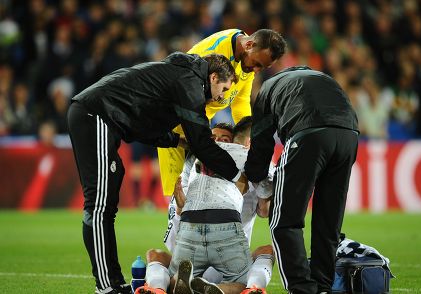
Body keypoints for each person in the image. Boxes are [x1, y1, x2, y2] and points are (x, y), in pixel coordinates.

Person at [67, 52, 245, 294]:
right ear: (213, 77)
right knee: (99, 206)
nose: (222, 97)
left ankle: (113, 284)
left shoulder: (182, 76)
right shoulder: (190, 81)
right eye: (223, 89)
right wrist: (237, 174)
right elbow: (202, 142)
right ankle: (107, 287)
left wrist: (175, 140)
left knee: (106, 205)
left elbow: (145, 124)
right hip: (96, 114)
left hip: (103, 118)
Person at [244, 66, 359, 294]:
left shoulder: (267, 89)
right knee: (329, 221)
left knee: (284, 220)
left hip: (308, 133)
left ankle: (302, 289)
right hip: (350, 135)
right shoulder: (322, 77)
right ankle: (323, 287)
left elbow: (261, 144)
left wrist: (261, 185)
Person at [137, 118, 274, 294]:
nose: (217, 142)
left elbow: (181, 210)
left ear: (233, 142)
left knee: (158, 259)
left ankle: (158, 287)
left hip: (190, 239)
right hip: (229, 244)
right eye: (213, 138)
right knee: (250, 274)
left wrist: (180, 204)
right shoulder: (249, 158)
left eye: (224, 139)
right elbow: (264, 210)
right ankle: (248, 289)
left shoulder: (194, 158)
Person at [157, 28, 287, 197]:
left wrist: (247, 135)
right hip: (176, 122)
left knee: (197, 194)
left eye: (261, 67)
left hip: (198, 124)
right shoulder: (213, 56)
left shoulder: (245, 57)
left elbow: (240, 101)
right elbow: (186, 97)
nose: (256, 70)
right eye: (256, 63)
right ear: (249, 45)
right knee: (180, 194)